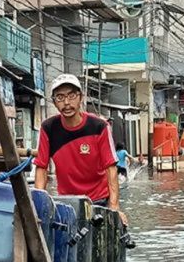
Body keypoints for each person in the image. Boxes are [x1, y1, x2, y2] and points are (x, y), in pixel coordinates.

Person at [34, 74, 127, 225]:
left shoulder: (99, 126)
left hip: (99, 201)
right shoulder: (48, 128)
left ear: (80, 97)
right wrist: (39, 206)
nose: (66, 102)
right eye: (60, 97)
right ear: (54, 102)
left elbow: (111, 168)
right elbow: (41, 168)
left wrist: (114, 207)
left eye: (71, 96)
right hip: (67, 203)